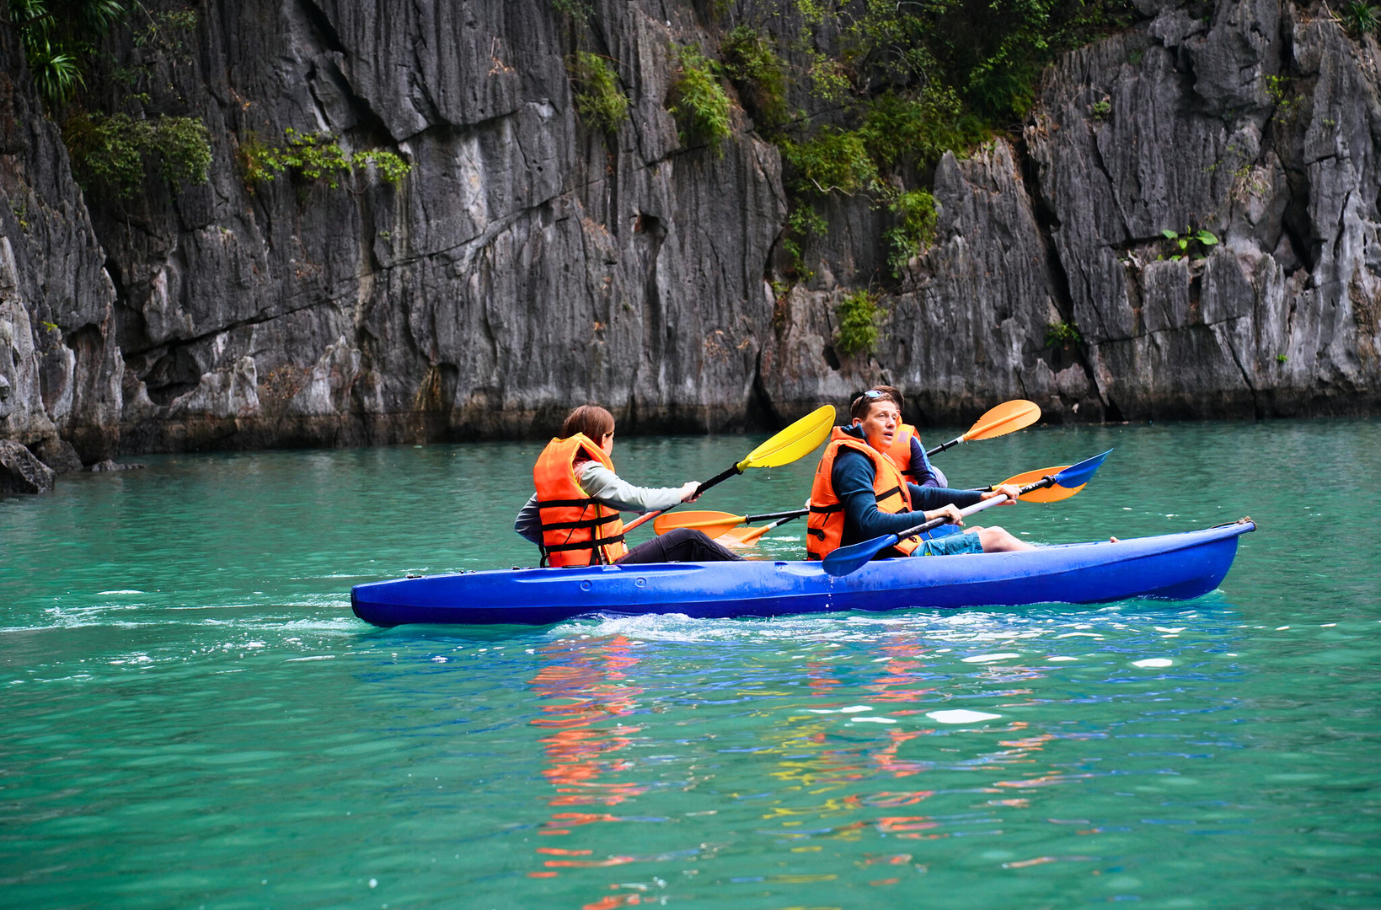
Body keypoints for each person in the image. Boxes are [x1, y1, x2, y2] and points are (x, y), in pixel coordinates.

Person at [806, 389, 1033, 561]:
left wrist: (985, 497)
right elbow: (868, 523)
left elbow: (921, 495)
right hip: (869, 561)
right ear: (859, 424)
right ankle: (1052, 567)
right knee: (995, 536)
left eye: (894, 417)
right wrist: (932, 516)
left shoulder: (874, 457)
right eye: (881, 416)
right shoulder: (853, 461)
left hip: (890, 550)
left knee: (978, 531)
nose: (891, 424)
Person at [515, 405, 743, 566]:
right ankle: (753, 573)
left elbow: (524, 525)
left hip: (570, 571)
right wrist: (683, 492)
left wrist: (572, 541)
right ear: (603, 438)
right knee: (687, 538)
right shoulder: (590, 472)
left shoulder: (561, 478)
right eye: (612, 436)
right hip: (601, 571)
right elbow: (638, 501)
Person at [868, 384, 948, 488]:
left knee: (936, 474)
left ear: (896, 414)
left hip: (903, 500)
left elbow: (929, 480)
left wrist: (910, 494)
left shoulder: (910, 441)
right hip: (866, 499)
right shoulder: (856, 438)